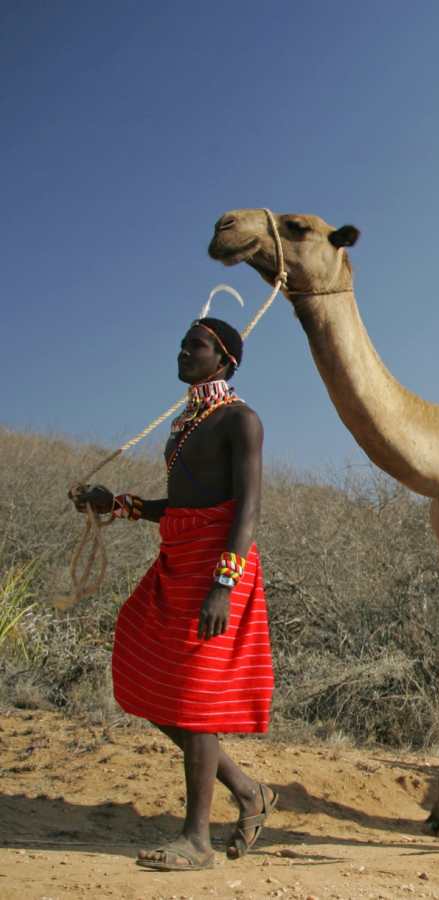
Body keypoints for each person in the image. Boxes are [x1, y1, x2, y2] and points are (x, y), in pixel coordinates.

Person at [69, 317, 276, 871]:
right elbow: (182, 504)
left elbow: (248, 508)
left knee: (197, 698)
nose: (185, 352)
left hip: (217, 567)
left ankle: (197, 840)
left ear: (225, 360)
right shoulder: (185, 424)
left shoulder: (241, 420)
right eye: (184, 344)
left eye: (197, 346)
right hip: (178, 557)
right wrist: (118, 504)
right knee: (146, 674)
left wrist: (223, 584)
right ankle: (248, 790)